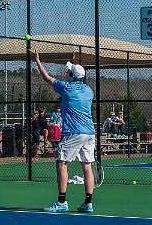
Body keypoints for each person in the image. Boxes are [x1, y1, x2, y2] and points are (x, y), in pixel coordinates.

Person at [32, 50, 96, 213]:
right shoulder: (89, 90)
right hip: (89, 133)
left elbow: (47, 78)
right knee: (87, 167)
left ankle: (62, 201)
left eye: (67, 71)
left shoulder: (66, 88)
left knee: (61, 163)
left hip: (73, 133)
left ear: (72, 76)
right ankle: (88, 203)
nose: (65, 73)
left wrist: (37, 61)